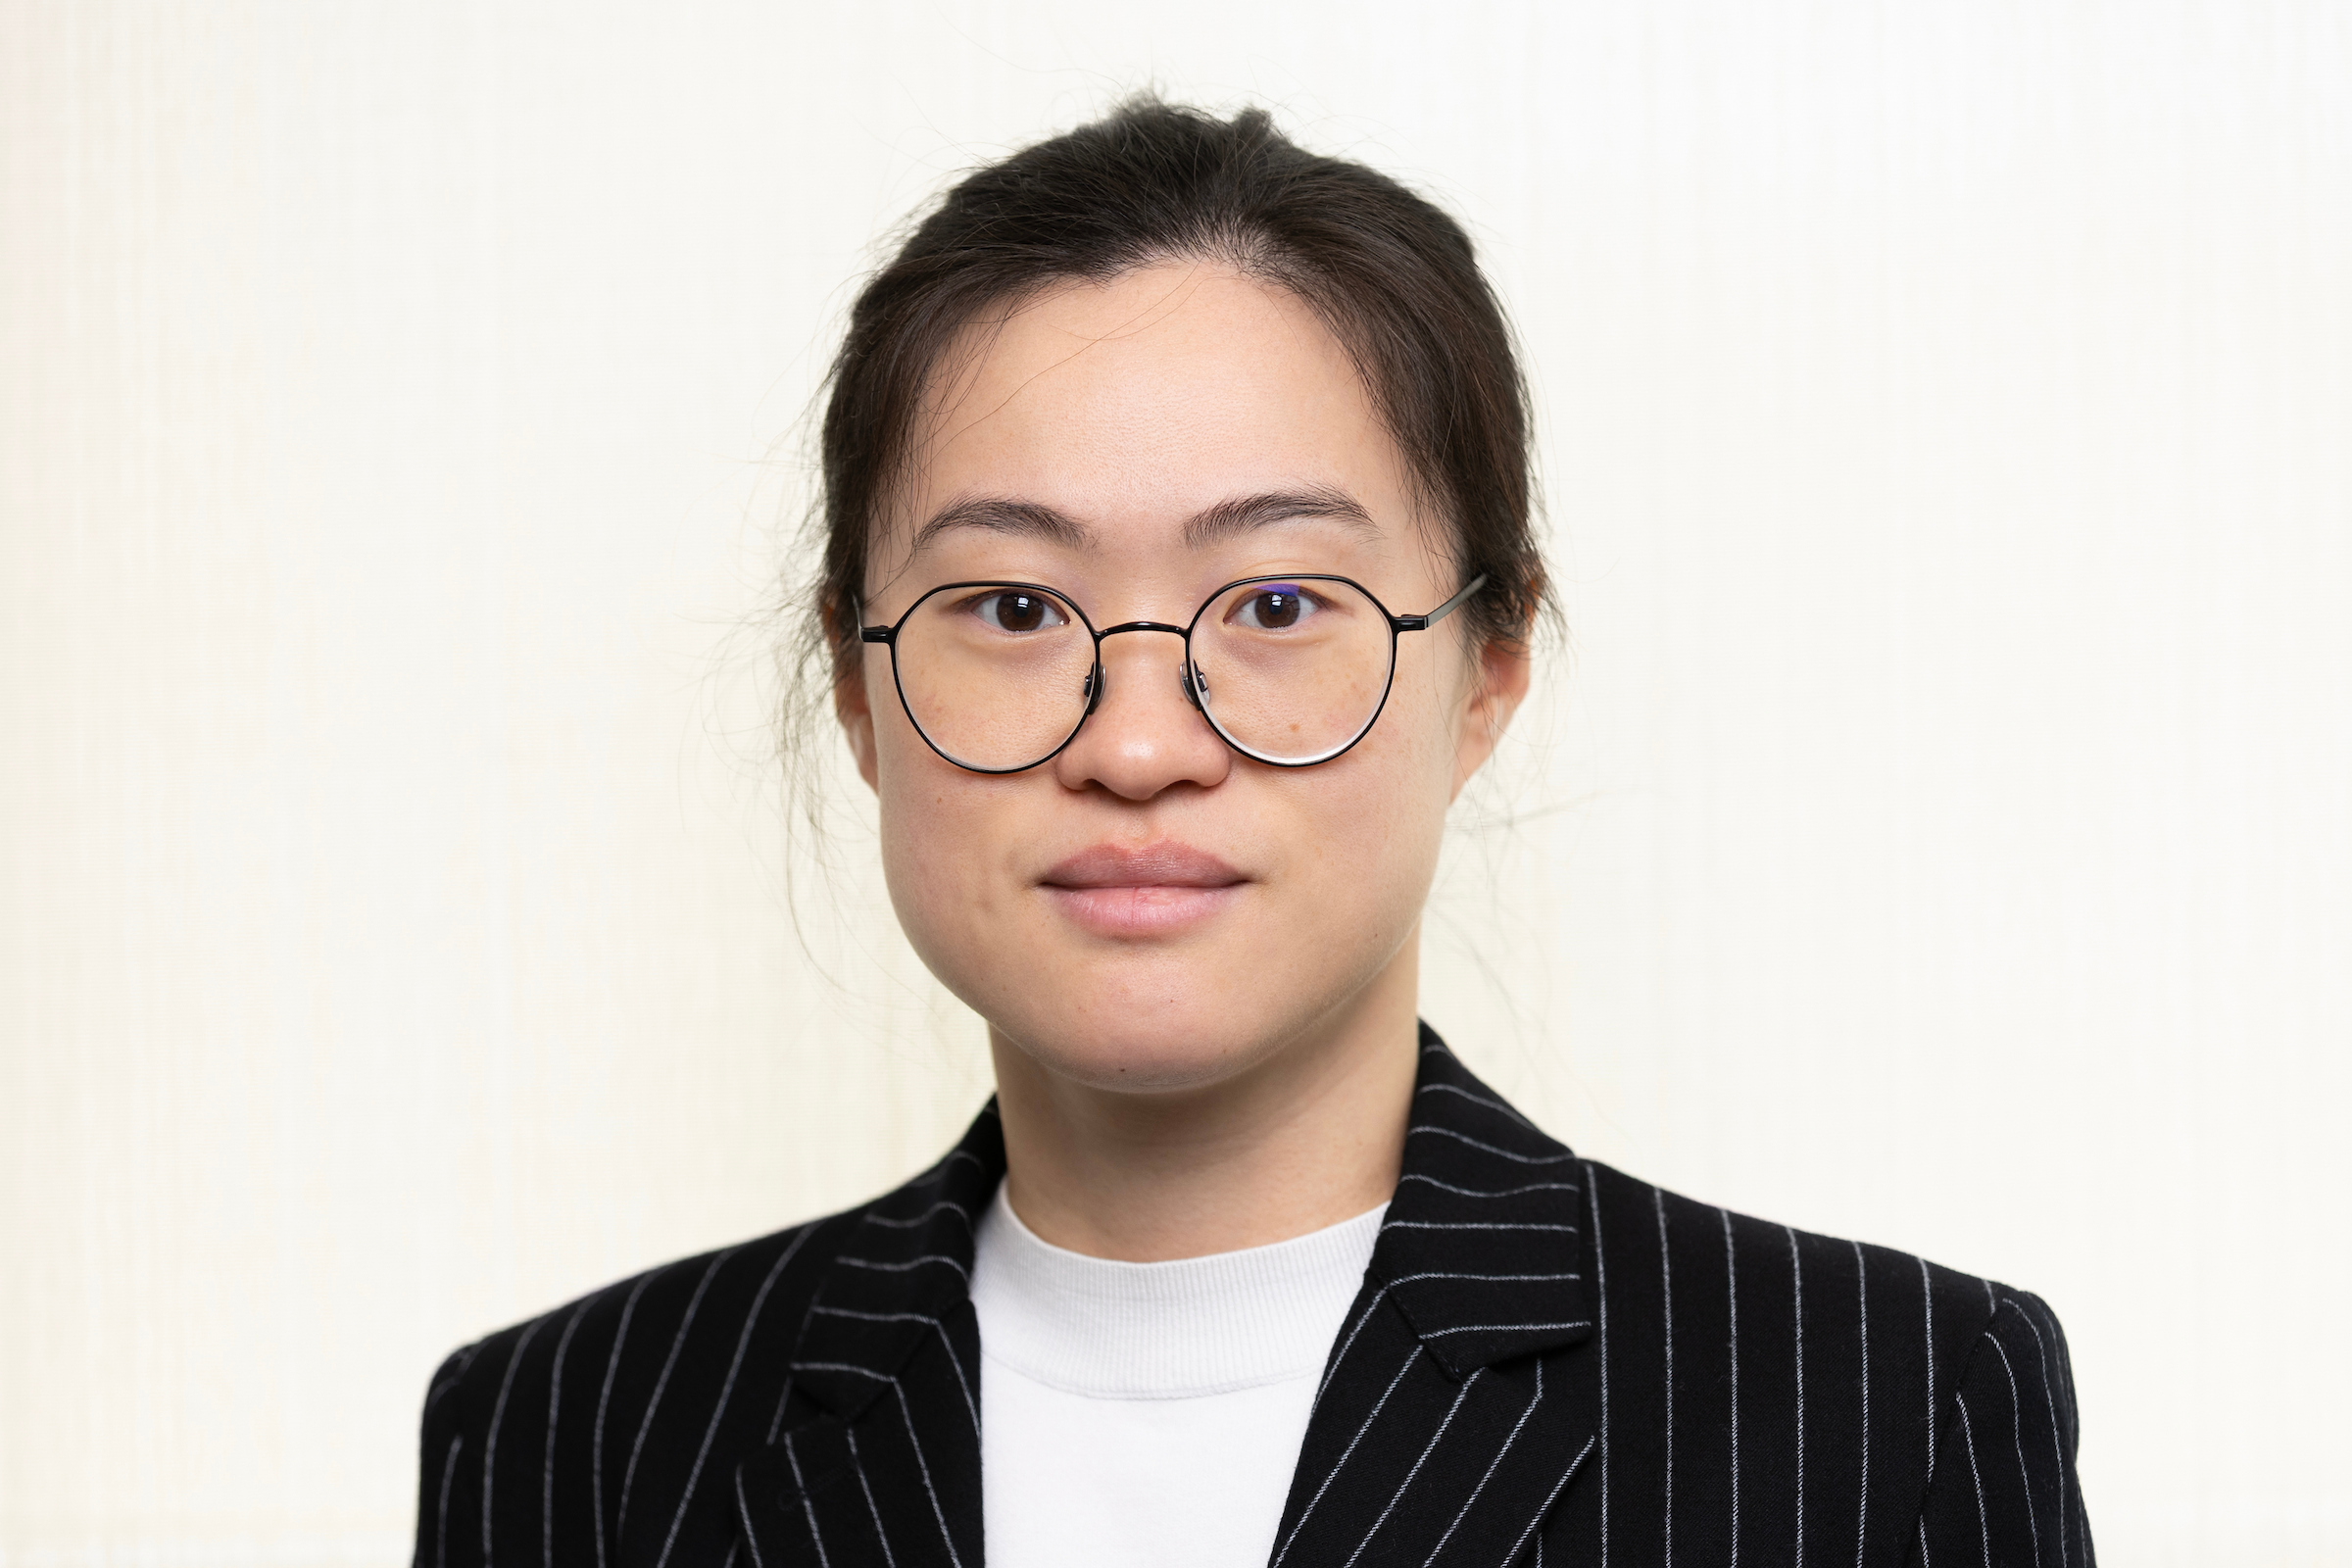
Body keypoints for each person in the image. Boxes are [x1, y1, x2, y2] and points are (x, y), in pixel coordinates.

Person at [413, 100, 2090, 1568]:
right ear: (855, 686)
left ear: (1488, 670)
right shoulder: (569, 1439)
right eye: (1010, 603)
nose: (1139, 744)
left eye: (1280, 599)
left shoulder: (1881, 1415)